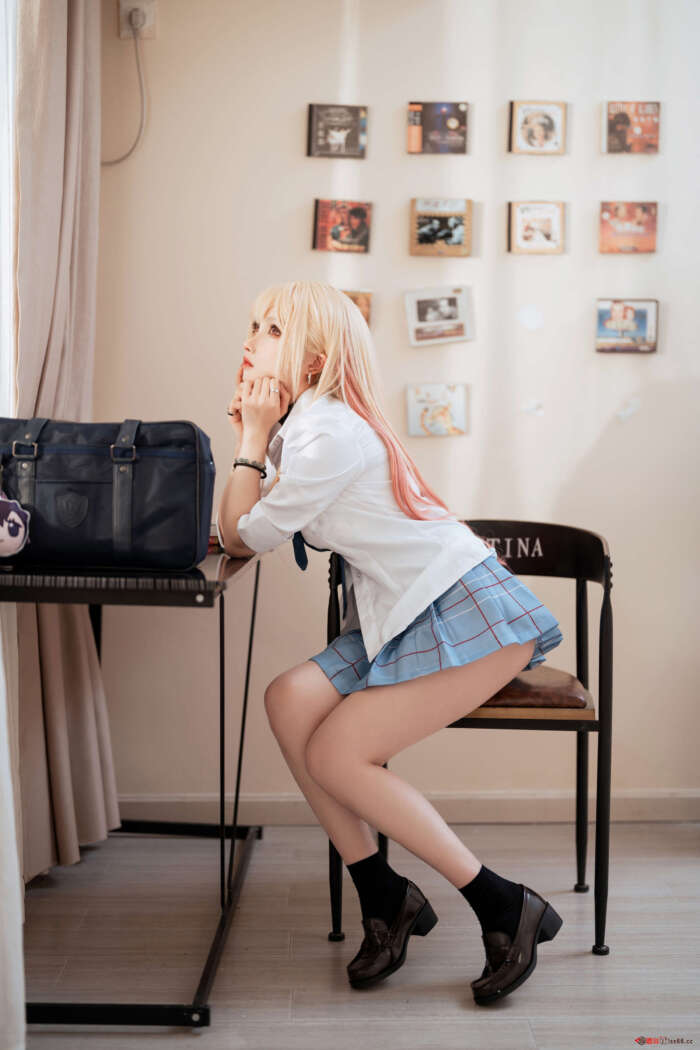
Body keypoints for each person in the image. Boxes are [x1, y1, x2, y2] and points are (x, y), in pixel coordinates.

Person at [216, 280, 564, 1003]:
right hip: (404, 614)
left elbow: (242, 536)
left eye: (272, 330)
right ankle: (382, 893)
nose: (250, 341)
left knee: (335, 754)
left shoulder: (327, 435)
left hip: (464, 610)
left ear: (315, 360)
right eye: (253, 325)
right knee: (288, 699)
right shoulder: (308, 429)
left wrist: (249, 440)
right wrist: (259, 437)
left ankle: (503, 904)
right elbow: (244, 528)